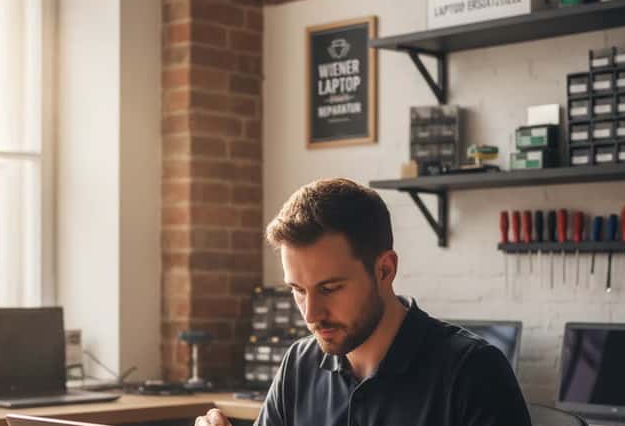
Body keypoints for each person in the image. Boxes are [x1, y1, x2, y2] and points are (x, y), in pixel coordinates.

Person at [195, 178, 532, 426]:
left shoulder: (473, 373)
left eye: (330, 288)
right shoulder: (299, 365)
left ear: (385, 270)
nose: (311, 314)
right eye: (298, 290)